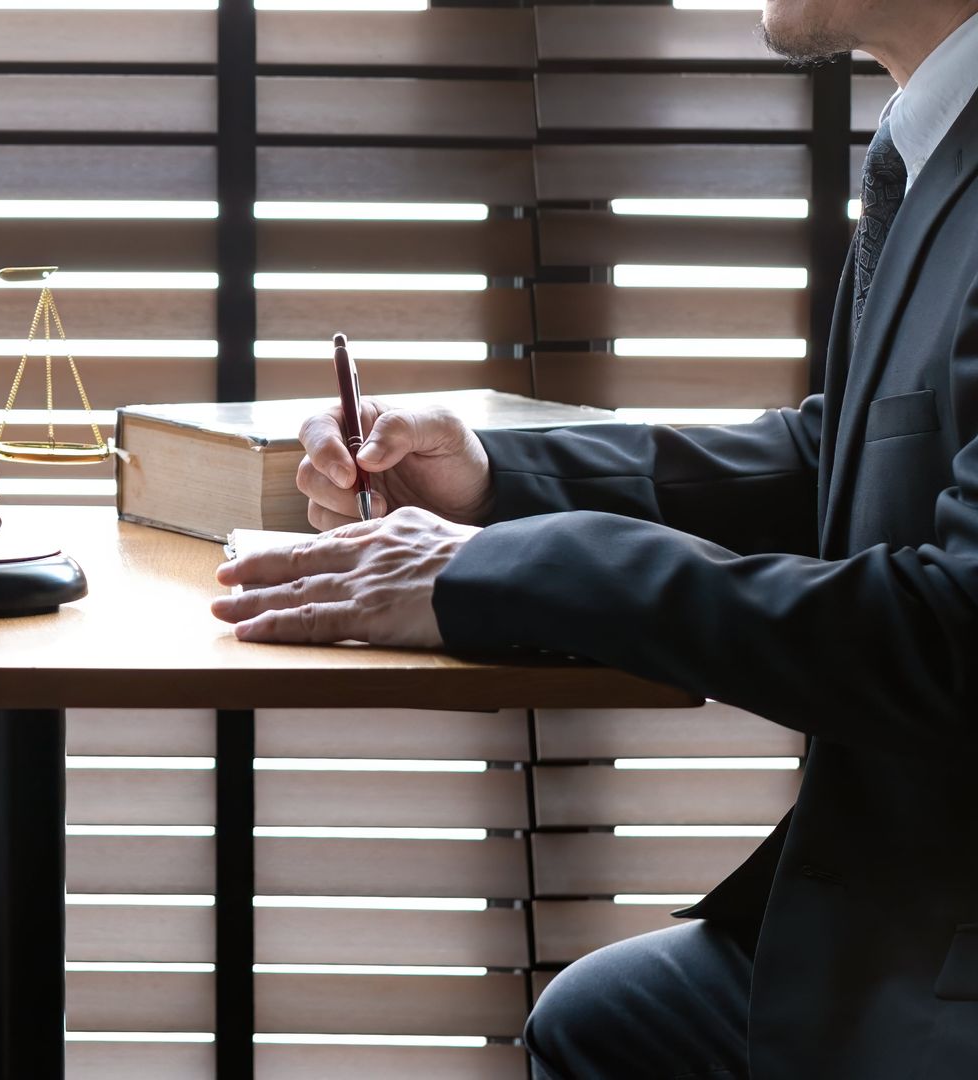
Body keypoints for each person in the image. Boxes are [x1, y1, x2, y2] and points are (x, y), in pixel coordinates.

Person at [214, 0, 978, 1075]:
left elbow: (953, 632)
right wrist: (495, 485)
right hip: (898, 897)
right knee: (605, 1018)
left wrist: (503, 570)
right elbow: (839, 462)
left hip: (944, 938)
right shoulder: (932, 140)